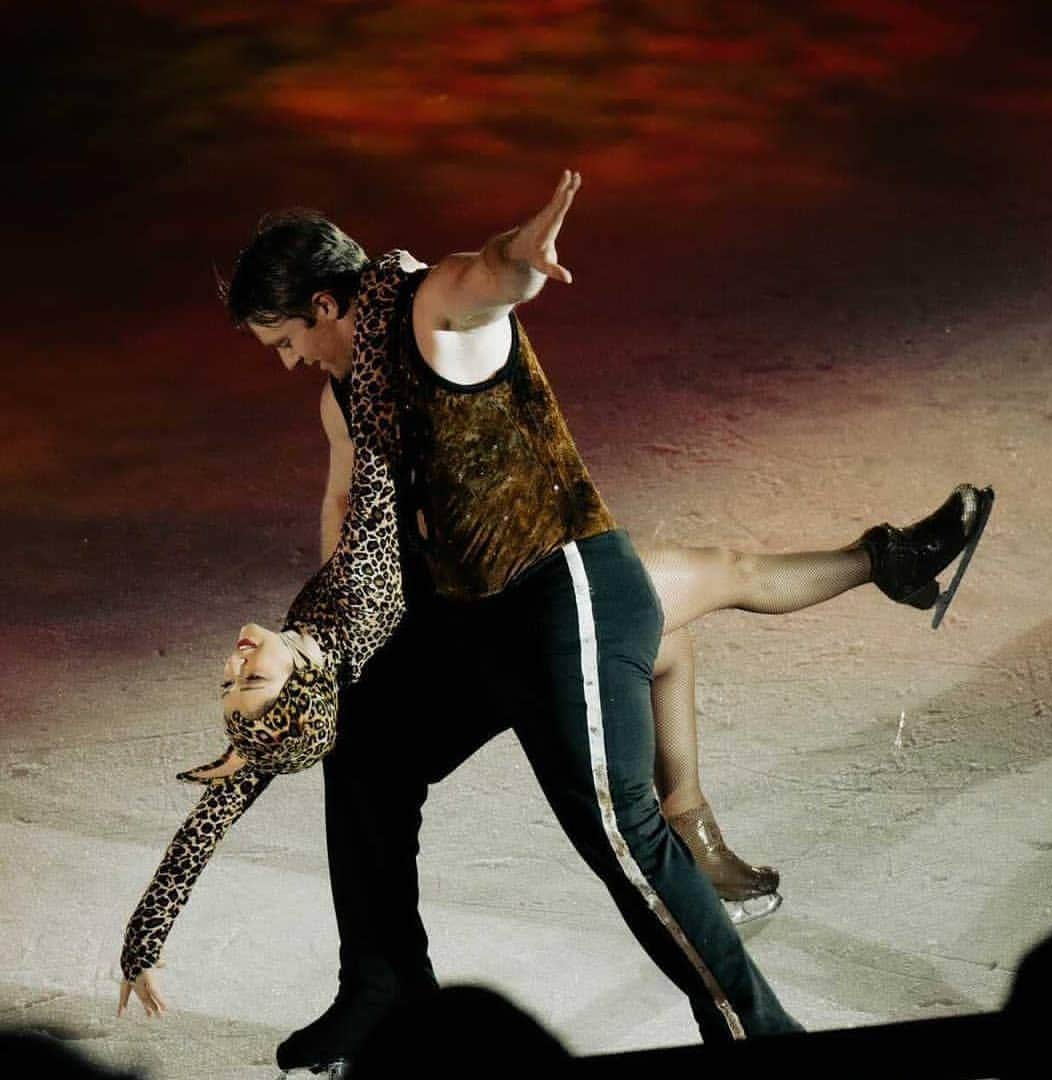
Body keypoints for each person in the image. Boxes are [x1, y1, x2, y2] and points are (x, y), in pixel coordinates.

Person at [119, 173, 991, 1069]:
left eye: (288, 338)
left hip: (560, 589)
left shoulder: (428, 317)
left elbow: (479, 281)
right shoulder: (342, 398)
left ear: (329, 302)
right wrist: (324, 647)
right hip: (469, 616)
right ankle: (381, 991)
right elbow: (347, 523)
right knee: (368, 745)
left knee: (619, 833)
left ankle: (761, 1037)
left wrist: (521, 264)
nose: (288, 360)